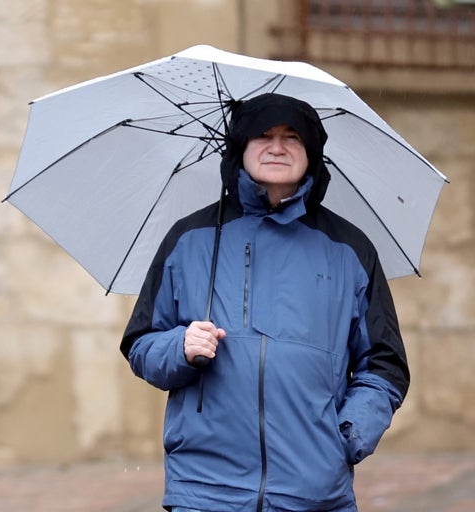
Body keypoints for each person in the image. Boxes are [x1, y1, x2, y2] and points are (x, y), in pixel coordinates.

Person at [120, 93, 409, 512]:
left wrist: (343, 435)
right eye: (263, 135)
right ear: (240, 149)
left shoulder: (349, 249)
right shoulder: (189, 240)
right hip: (205, 490)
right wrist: (178, 347)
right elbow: (141, 343)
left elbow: (384, 365)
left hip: (314, 492)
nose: (277, 147)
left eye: (292, 137)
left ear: (311, 153)